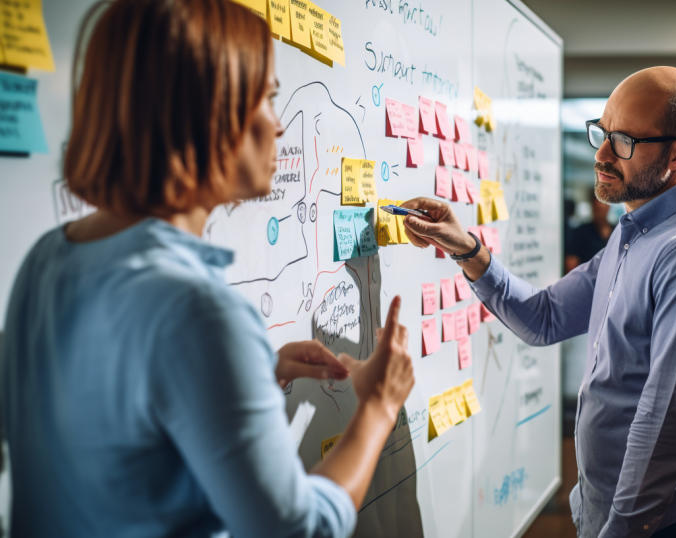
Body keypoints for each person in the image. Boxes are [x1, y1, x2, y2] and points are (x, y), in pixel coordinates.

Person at [0, 1, 414, 536]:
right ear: (208, 113)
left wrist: (254, 373)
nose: (280, 124)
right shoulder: (198, 311)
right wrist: (379, 408)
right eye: (266, 98)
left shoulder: (46, 260)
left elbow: (112, 433)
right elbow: (296, 528)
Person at [402, 67, 676, 537]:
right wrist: (467, 249)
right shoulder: (635, 235)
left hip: (668, 525)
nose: (603, 154)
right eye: (603, 133)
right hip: (619, 516)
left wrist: (621, 529)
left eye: (624, 141)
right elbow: (544, 317)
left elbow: (666, 424)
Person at [564, 191, 613, 273]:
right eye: (598, 208)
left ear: (608, 207)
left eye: (603, 207)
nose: (601, 212)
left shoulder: (617, 231)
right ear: (592, 206)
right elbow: (571, 265)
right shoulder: (580, 232)